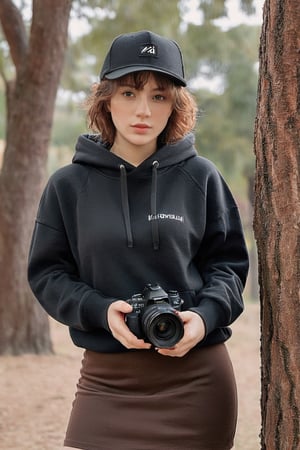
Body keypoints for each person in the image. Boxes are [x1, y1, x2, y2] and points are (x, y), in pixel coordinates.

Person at [28, 30, 249, 450]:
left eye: (159, 96)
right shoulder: (67, 186)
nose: (142, 110)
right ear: (106, 99)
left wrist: (203, 317)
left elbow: (229, 267)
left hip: (196, 381)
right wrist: (98, 310)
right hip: (106, 382)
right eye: (129, 93)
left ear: (176, 106)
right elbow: (48, 274)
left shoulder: (200, 177)